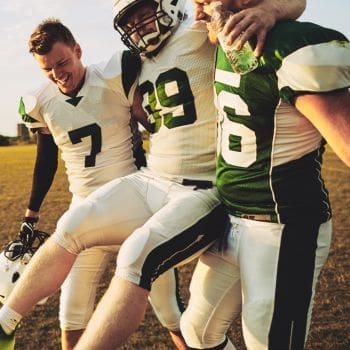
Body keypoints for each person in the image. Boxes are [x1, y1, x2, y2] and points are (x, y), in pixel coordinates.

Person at [0, 1, 306, 349]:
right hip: (152, 179)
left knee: (137, 259)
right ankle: (4, 324)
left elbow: (295, 3)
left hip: (201, 188)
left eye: (144, 13)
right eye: (129, 21)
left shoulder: (198, 27)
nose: (139, 26)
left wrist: (271, 11)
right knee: (70, 226)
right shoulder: (134, 60)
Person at [0, 18, 186, 350]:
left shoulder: (116, 74)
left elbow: (156, 124)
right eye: (47, 69)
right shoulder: (40, 102)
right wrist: (31, 214)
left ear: (78, 50)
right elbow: (46, 161)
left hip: (136, 209)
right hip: (84, 212)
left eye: (62, 62)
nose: (58, 73)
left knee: (172, 314)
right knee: (71, 316)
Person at [179, 0, 350, 349]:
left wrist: (273, 11)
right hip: (230, 219)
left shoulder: (290, 46)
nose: (197, 14)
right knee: (197, 331)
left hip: (284, 227)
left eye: (204, 3)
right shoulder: (223, 44)